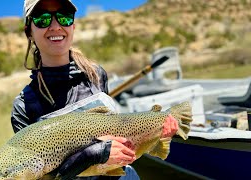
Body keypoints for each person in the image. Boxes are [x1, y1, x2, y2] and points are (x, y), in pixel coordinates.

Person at [11, 0, 177, 179]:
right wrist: (95, 154)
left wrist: (156, 130)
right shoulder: (24, 106)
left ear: (73, 25)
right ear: (29, 31)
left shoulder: (96, 74)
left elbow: (115, 129)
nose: (55, 25)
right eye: (42, 19)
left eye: (64, 17)